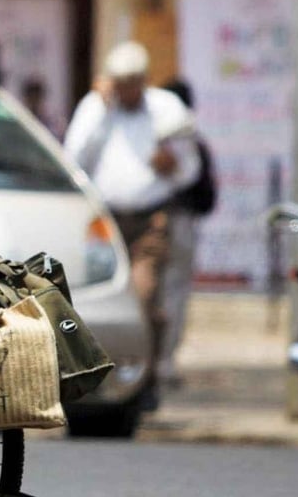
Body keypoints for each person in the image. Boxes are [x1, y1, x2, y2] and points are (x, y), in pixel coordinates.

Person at [63, 42, 200, 406]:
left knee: (143, 296)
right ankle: (94, 375)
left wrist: (172, 167)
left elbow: (191, 168)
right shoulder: (95, 109)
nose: (127, 89)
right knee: (96, 300)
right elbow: (74, 158)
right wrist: (102, 112)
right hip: (105, 222)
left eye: (133, 81)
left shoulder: (166, 109)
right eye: (120, 82)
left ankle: (146, 378)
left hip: (150, 219)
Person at [158, 77, 217, 388]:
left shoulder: (163, 135)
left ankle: (159, 361)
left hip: (167, 219)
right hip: (176, 221)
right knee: (173, 292)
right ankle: (163, 361)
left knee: (164, 290)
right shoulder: (190, 138)